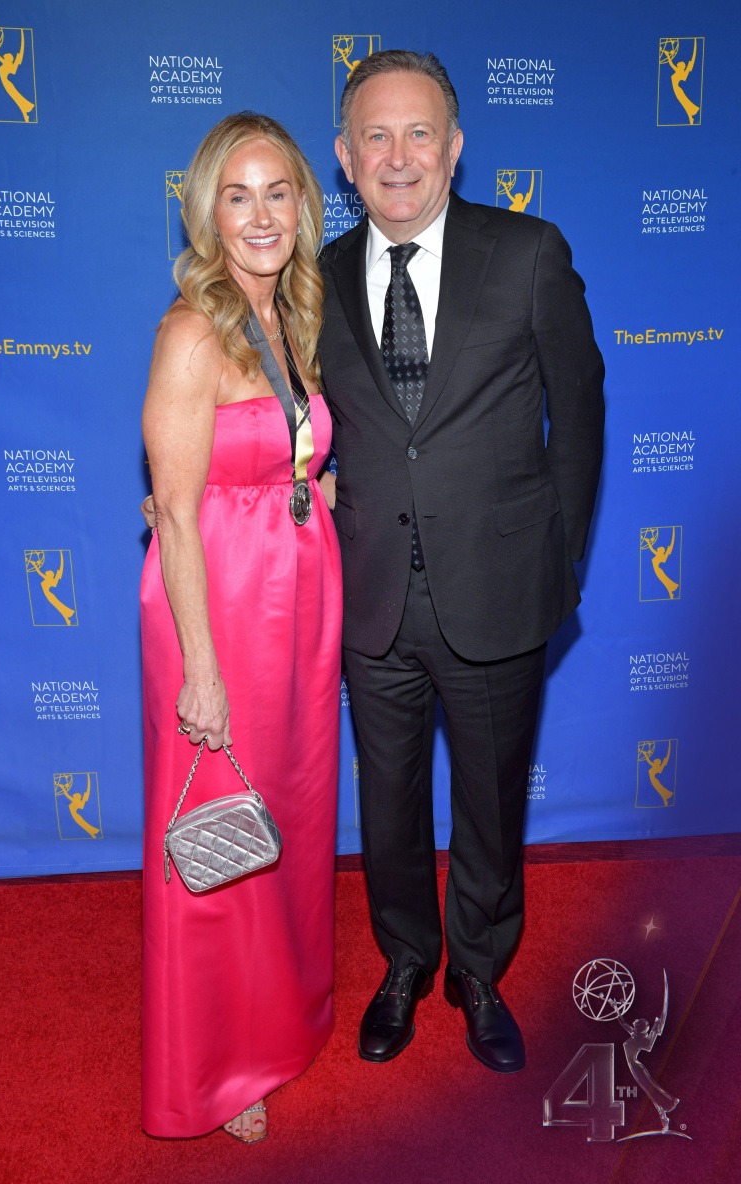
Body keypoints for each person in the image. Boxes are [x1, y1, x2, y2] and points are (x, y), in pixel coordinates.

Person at [319, 50, 604, 1072]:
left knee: (490, 799)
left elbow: (579, 413)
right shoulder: (315, 277)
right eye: (376, 136)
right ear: (345, 156)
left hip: (497, 588)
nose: (398, 157)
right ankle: (405, 960)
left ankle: (478, 971)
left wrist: (556, 564)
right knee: (387, 802)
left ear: (455, 148)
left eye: (419, 133)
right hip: (369, 598)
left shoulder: (525, 253)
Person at [140, 112, 341, 1143]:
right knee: (218, 827)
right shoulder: (192, 333)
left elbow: (289, 458)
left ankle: (281, 1016)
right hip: (216, 609)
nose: (261, 216)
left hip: (296, 600)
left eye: (278, 192)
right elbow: (176, 513)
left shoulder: (294, 315)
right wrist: (202, 671)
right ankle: (218, 1068)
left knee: (286, 815)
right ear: (207, 213)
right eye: (237, 195)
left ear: (303, 205)